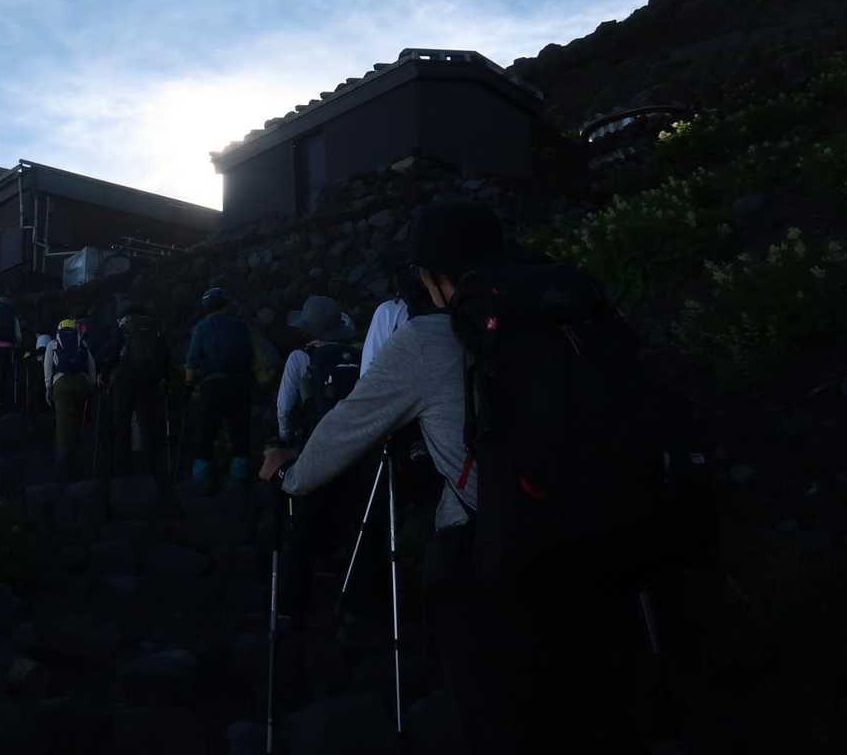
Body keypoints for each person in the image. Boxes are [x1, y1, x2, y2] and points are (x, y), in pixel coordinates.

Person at [259, 201, 635, 753]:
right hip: (613, 524)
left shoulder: (427, 339)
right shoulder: (568, 313)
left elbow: (343, 431)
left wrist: (289, 474)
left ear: (431, 276)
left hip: (505, 539)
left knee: (500, 704)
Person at [184, 287, 255, 487]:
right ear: (226, 303)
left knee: (206, 433)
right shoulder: (240, 326)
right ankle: (239, 479)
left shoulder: (201, 328)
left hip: (211, 386)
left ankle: (202, 479)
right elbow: (249, 356)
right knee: (239, 432)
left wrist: (188, 386)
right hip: (238, 385)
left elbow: (192, 361)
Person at [274, 296, 361, 444]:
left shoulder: (299, 357)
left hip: (319, 439)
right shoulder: (356, 353)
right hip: (358, 433)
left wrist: (285, 437)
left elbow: (284, 409)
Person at [106, 300, 170, 476]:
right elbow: (164, 354)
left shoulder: (123, 326)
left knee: (122, 424)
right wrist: (162, 376)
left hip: (125, 381)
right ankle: (150, 468)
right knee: (147, 423)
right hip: (149, 381)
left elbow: (112, 353)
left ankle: (122, 470)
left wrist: (105, 374)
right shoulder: (153, 328)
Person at [44, 317, 97, 475]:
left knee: (62, 424)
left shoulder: (53, 344)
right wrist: (91, 385)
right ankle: (81, 458)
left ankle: (62, 464)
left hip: (61, 384)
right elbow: (92, 366)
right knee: (80, 420)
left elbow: (48, 367)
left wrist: (48, 388)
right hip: (82, 383)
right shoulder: (82, 343)